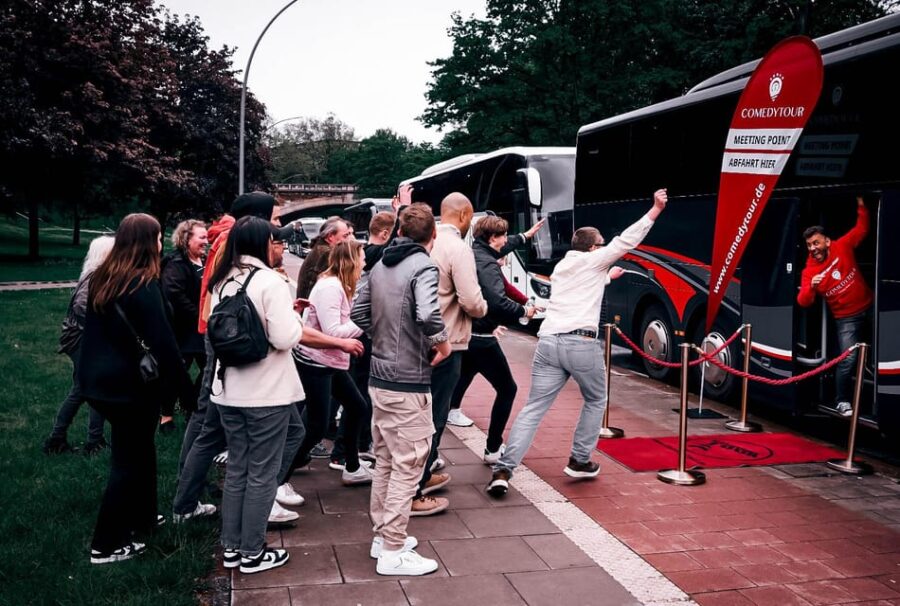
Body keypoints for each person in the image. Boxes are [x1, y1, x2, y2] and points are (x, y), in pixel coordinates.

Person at [487, 189, 668, 497]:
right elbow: (626, 241)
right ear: (593, 248)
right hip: (580, 344)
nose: (603, 249)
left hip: (548, 344)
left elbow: (581, 285)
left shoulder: (563, 267)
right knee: (596, 399)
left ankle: (503, 470)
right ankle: (580, 460)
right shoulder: (593, 260)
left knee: (534, 407)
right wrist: (655, 210)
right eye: (600, 246)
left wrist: (607, 276)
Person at [79, 214, 191, 564]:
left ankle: (143, 518)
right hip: (128, 387)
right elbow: (165, 346)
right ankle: (106, 544)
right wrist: (187, 394)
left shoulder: (104, 277)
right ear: (148, 241)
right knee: (127, 461)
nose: (162, 243)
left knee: (140, 451)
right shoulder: (142, 284)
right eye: (159, 237)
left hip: (97, 382)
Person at [351, 202, 451, 576]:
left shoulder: (378, 265)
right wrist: (441, 344)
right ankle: (393, 547)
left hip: (378, 377)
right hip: (408, 378)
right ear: (432, 235)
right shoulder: (423, 266)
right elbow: (427, 314)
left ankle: (383, 536)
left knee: (387, 460)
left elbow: (358, 313)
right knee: (409, 462)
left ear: (399, 233)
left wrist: (385, 338)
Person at [207, 215, 300, 574]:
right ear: (262, 243)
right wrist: (297, 320)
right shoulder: (269, 282)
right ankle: (252, 552)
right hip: (267, 393)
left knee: (239, 471)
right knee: (263, 473)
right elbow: (284, 338)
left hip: (229, 391)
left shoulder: (222, 280)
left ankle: (231, 547)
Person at [413, 192, 488, 515]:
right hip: (447, 340)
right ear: (465, 214)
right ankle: (420, 480)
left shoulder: (422, 243)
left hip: (415, 340)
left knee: (417, 410)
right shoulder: (458, 248)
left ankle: (416, 474)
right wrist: (482, 310)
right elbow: (471, 300)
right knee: (436, 414)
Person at [448, 216, 545, 460]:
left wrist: (525, 236)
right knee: (507, 389)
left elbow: (506, 244)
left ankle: (451, 410)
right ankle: (493, 447)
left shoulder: (475, 251)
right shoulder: (489, 264)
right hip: (482, 336)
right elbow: (497, 302)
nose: (505, 241)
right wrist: (524, 311)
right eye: (502, 236)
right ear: (493, 238)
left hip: (468, 333)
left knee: (466, 373)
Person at [290, 240, 372, 486]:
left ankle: (352, 466)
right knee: (316, 426)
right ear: (351, 261)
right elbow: (333, 331)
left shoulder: (340, 285)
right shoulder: (330, 287)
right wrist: (366, 320)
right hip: (316, 362)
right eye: (362, 258)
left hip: (328, 362)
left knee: (357, 406)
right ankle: (279, 479)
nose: (365, 262)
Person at [797, 196, 873, 416]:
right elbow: (803, 302)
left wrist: (860, 203)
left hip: (870, 305)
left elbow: (862, 229)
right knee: (847, 359)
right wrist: (811, 286)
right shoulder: (809, 271)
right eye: (809, 245)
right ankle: (842, 402)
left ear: (827, 242)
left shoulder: (842, 246)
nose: (813, 248)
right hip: (846, 318)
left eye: (816, 243)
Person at [42, 235, 114, 456]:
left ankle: (92, 439)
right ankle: (59, 439)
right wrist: (103, 330)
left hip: (86, 339)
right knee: (83, 389)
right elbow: (83, 308)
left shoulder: (100, 276)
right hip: (79, 340)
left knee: (91, 388)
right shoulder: (94, 277)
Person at [160, 219, 208, 432]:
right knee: (177, 372)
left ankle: (193, 405)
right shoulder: (176, 263)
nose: (206, 241)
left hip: (201, 329)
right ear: (186, 239)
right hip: (182, 329)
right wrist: (199, 315)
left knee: (209, 369)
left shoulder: (205, 261)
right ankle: (166, 416)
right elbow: (174, 294)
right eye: (202, 237)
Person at [295, 216, 355, 299]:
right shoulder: (327, 255)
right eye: (345, 236)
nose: (348, 240)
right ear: (330, 237)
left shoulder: (321, 250)